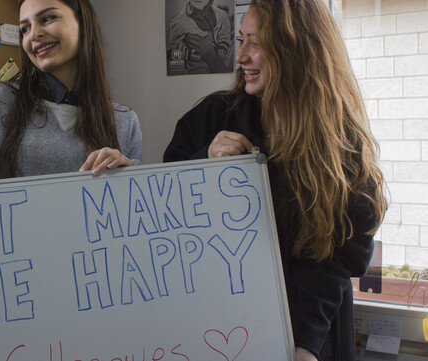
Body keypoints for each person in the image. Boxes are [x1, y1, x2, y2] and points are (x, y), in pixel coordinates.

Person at [163, 0, 386, 360]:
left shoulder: (340, 143)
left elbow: (343, 251)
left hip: (308, 332)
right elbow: (163, 207)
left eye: (257, 43)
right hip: (221, 327)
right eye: (240, 40)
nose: (241, 56)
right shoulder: (211, 117)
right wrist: (203, 160)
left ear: (296, 50)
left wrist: (303, 343)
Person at [0, 0, 142, 183]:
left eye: (48, 18)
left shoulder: (124, 122)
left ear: (84, 23)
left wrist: (126, 178)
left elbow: (135, 210)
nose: (33, 34)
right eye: (25, 28)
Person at [167, 0, 233, 74]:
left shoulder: (222, 15)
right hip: (197, 64)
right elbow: (175, 43)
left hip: (220, 61)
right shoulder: (179, 22)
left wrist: (223, 47)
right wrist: (189, 53)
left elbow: (225, 33)